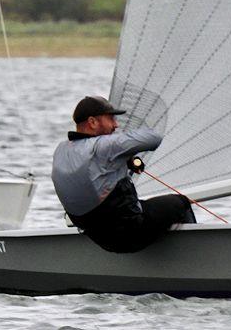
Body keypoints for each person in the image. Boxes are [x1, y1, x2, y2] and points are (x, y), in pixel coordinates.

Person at [51, 95, 196, 253]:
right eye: (111, 119)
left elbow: (96, 179)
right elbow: (154, 138)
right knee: (181, 203)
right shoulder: (105, 146)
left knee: (137, 205)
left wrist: (123, 160)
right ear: (92, 122)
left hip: (100, 238)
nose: (116, 125)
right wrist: (123, 147)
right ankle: (196, 255)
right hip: (130, 234)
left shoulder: (61, 150)